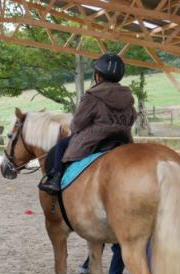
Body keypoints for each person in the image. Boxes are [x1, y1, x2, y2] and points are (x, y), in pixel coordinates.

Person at [38, 53, 136, 194]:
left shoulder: (93, 96)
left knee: (61, 145)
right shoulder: (128, 97)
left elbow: (77, 124)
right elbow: (132, 117)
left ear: (98, 76)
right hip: (123, 138)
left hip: (96, 139)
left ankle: (55, 179)